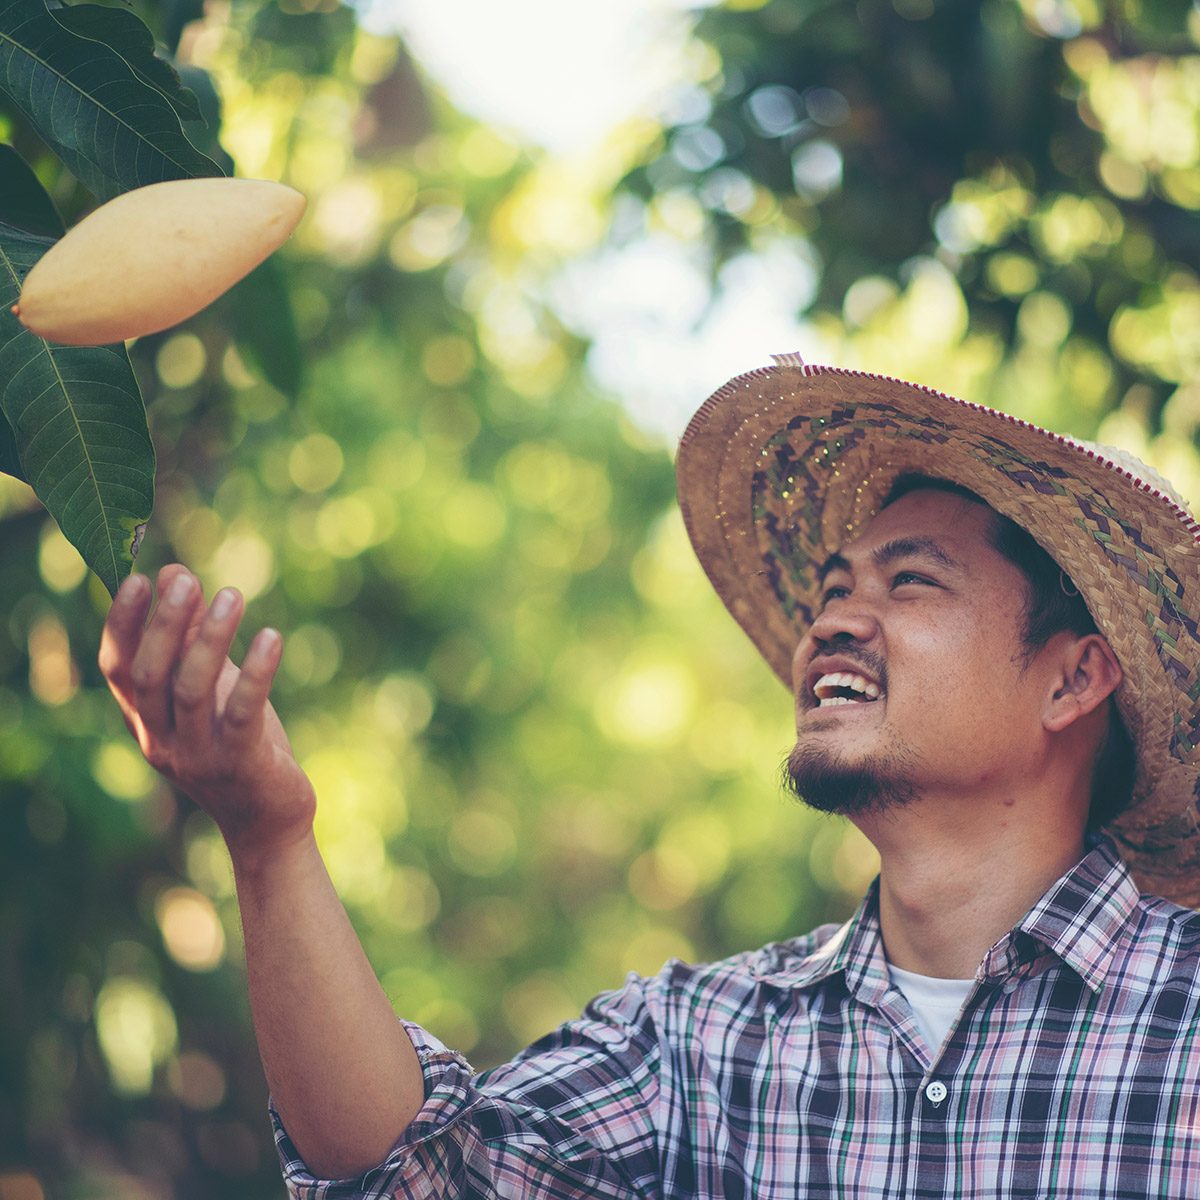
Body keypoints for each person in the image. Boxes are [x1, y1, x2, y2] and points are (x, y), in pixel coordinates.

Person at [99, 355, 1200, 1197]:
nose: (834, 621)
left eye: (910, 583)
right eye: (832, 589)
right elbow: (416, 1172)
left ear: (1073, 679)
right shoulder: (693, 1043)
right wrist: (268, 835)